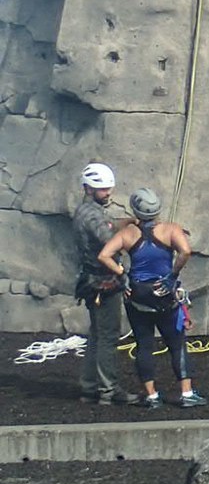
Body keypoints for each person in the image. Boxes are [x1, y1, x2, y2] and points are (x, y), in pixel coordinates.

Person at [96, 188, 204, 409]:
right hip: (163, 293)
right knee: (176, 344)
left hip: (137, 293)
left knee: (144, 344)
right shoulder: (171, 230)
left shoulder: (127, 233)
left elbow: (104, 255)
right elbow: (185, 251)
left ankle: (152, 396)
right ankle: (186, 393)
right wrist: (172, 276)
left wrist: (121, 273)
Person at [72, 163, 134, 406]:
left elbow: (110, 226)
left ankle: (89, 387)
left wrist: (130, 221)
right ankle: (109, 390)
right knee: (108, 337)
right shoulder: (93, 215)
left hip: (90, 280)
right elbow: (112, 241)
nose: (108, 192)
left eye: (109, 188)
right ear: (87, 188)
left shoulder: (86, 210)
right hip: (103, 282)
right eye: (102, 189)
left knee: (96, 336)